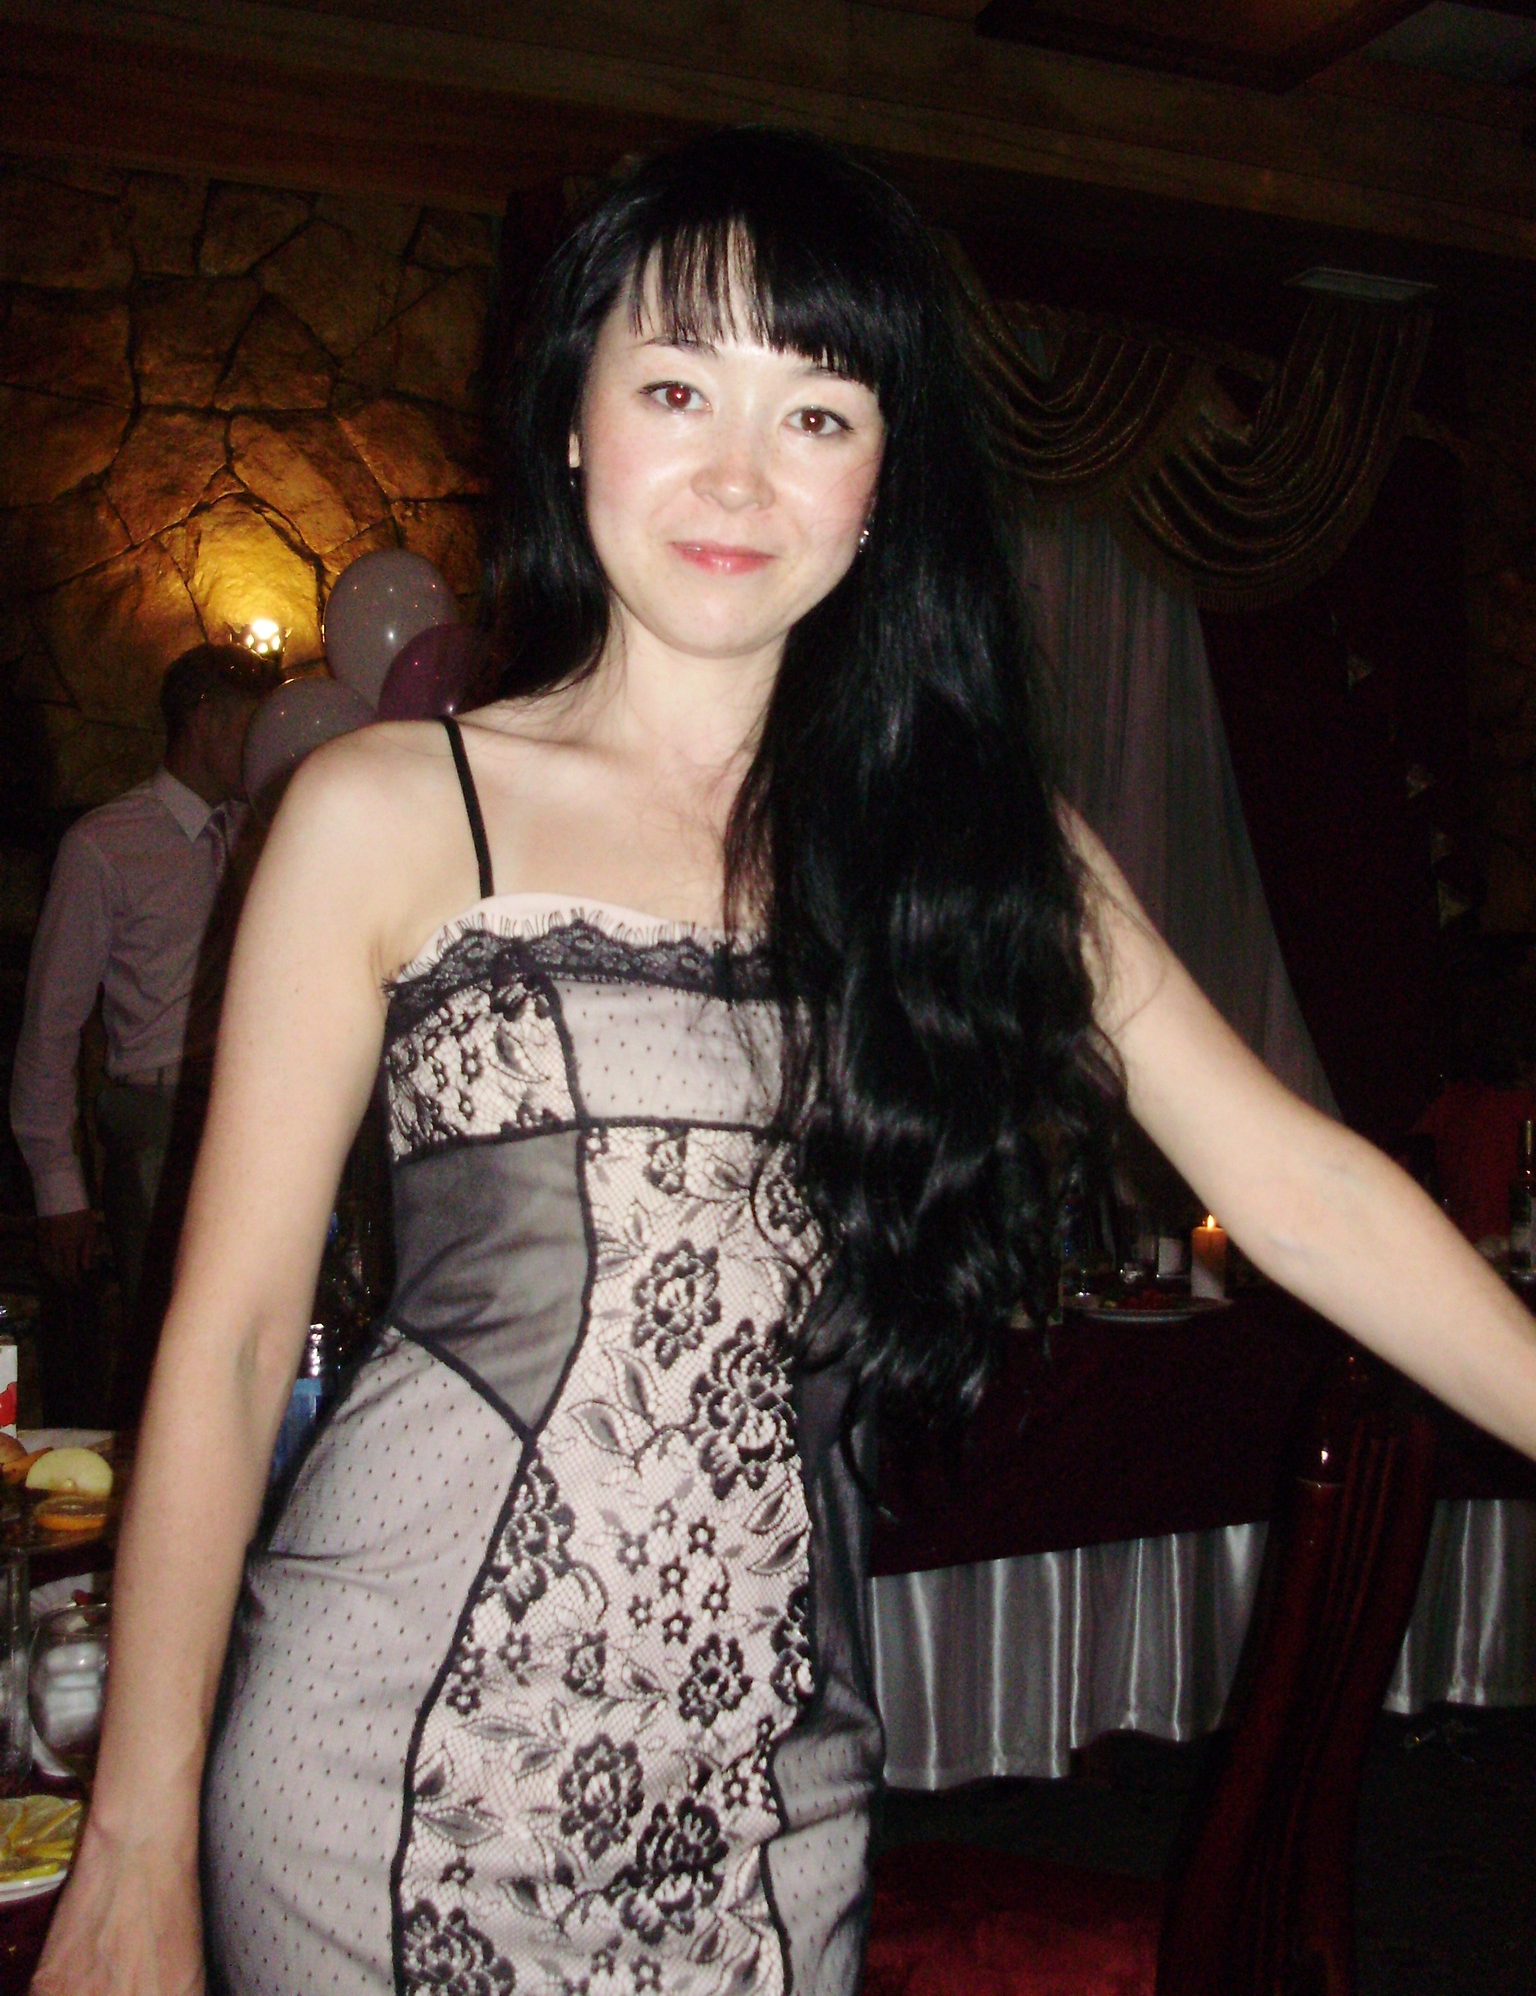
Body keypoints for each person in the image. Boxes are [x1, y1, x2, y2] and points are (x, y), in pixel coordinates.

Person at [33, 131, 1536, 1996]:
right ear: (571, 419)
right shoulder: (385, 808)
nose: (740, 473)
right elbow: (234, 1335)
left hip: (772, 1787)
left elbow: (1298, 1187)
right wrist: (136, 1839)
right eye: (677, 388)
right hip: (389, 1763)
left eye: (818, 413)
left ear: (883, 480)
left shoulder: (980, 847)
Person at [9, 644, 271, 1424]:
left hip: (254, 1103)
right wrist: (59, 1186)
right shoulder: (105, 844)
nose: (265, 744)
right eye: (252, 725)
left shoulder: (257, 833)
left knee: (260, 1328)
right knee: (176, 1335)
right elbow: (51, 1023)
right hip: (159, 1113)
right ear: (206, 720)